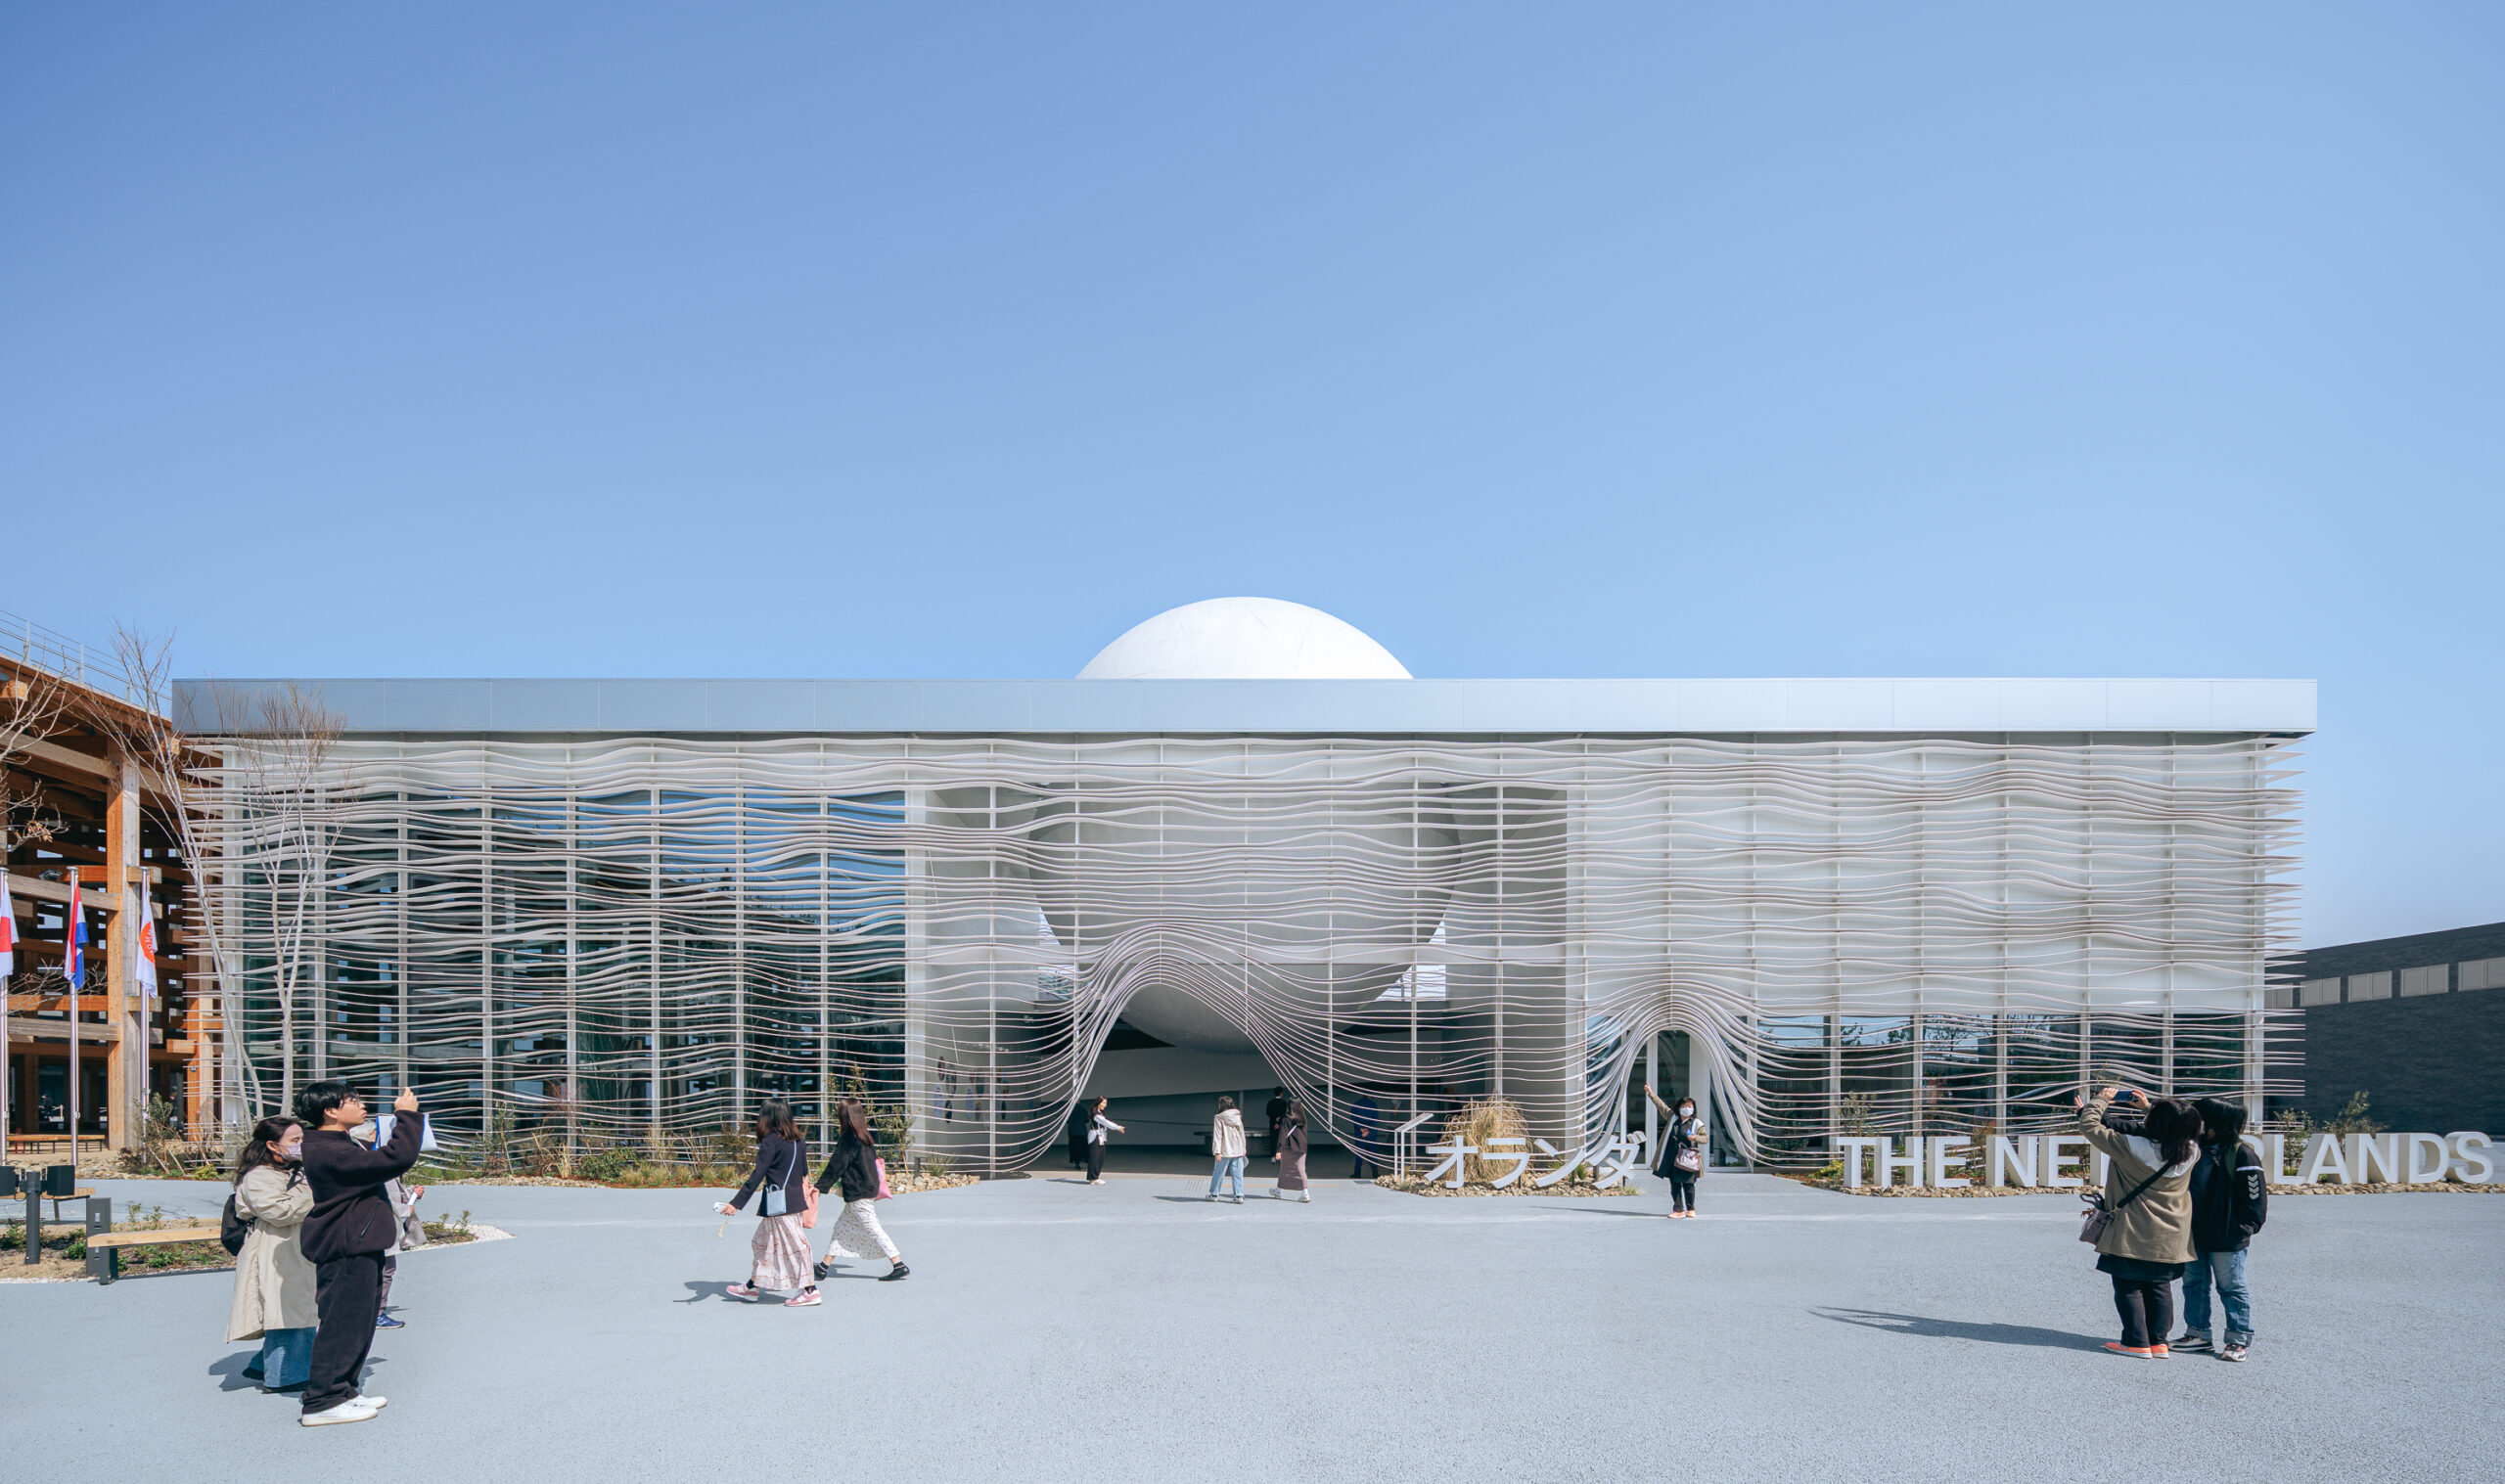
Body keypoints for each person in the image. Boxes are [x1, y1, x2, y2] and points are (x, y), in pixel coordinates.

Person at [295, 1079, 424, 1425]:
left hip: (358, 1243)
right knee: (341, 1325)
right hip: (346, 1246)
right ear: (330, 1110)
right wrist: (407, 1118)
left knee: (360, 1323)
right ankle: (321, 1402)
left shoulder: (339, 1143)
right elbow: (396, 1158)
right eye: (352, 1100)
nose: (362, 1104)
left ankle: (344, 1390)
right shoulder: (328, 1149)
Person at [2077, 1085, 2201, 1358]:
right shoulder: (2191, 1150)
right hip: (2173, 1233)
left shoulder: (2131, 1146)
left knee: (2128, 1283)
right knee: (2159, 1285)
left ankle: (2136, 1342)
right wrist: (2147, 1108)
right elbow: (2173, 1129)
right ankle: (2158, 1342)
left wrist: (2101, 1099)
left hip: (2132, 1229)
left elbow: (2089, 1125)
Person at [226, 1116, 315, 1395]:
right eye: (295, 1140)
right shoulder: (259, 1176)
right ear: (273, 1145)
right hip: (273, 1247)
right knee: (286, 1311)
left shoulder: (290, 1171)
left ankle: (263, 1365)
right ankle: (284, 1376)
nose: (302, 1145)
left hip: (292, 1248)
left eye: (303, 1139)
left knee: (298, 1308)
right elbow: (280, 1212)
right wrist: (312, 1187)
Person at [2175, 1096, 2267, 1362]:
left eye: (2199, 1116)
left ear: (2215, 1121)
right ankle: (2197, 1335)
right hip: (2193, 1232)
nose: (2195, 1121)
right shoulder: (2194, 1148)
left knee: (2231, 1288)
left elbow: (2255, 1197)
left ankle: (2238, 1341)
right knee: (2193, 1284)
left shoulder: (2242, 1153)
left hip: (2227, 1236)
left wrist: (2245, 1228)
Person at [718, 1101, 818, 1307]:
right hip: (793, 1202)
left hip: (779, 1205)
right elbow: (803, 1171)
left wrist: (736, 1203)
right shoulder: (799, 1141)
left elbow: (758, 1174)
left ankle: (810, 1290)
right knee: (761, 1243)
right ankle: (752, 1287)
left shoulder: (771, 1141)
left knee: (797, 1246)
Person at [812, 1097, 909, 1282]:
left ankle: (899, 1264)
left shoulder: (849, 1137)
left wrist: (819, 1187)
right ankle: (823, 1267)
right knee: (841, 1228)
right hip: (866, 1189)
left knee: (873, 1228)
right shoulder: (864, 1135)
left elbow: (837, 1164)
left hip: (858, 1192)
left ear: (845, 1115)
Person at [1643, 1085, 1708, 1218]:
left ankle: (1691, 1208)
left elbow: (1705, 1138)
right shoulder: (1672, 1117)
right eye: (1684, 1106)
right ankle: (1678, 1209)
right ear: (1679, 1108)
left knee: (1689, 1185)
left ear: (1694, 1108)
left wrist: (1695, 1137)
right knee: (1675, 1184)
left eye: (1689, 1106)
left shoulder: (1696, 1123)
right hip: (1672, 1157)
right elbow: (1661, 1105)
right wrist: (1650, 1093)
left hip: (1688, 1157)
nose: (1686, 1109)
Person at [1207, 1095, 1248, 1202]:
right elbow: (1241, 1133)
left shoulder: (1219, 1117)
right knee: (1238, 1173)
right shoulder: (1237, 1116)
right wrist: (1243, 1148)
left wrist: (1217, 1151)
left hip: (1224, 1150)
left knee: (1219, 1172)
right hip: (1238, 1149)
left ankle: (1214, 1194)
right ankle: (1239, 1195)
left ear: (1221, 1105)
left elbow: (1218, 1135)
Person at [1272, 1099, 1309, 1202]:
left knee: (1284, 1169)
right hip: (1302, 1148)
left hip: (1289, 1147)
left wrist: (1278, 1150)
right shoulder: (1303, 1119)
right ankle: (1305, 1192)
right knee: (1301, 1169)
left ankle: (1278, 1190)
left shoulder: (1286, 1119)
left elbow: (1283, 1135)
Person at [1085, 1097, 1123, 1185]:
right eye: (1103, 1103)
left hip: (1101, 1137)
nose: (1105, 1105)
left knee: (1100, 1157)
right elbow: (1106, 1122)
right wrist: (1117, 1127)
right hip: (1095, 1137)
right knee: (1095, 1157)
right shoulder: (1096, 1114)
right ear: (1098, 1103)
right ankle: (1093, 1178)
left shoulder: (1100, 1112)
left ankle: (1095, 1176)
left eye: (1105, 1103)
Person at [1265, 1087, 1289, 1158]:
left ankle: (1273, 1155)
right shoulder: (1284, 1103)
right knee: (1282, 1138)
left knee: (1273, 1139)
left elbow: (1268, 1112)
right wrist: (1279, 1121)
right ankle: (1281, 1154)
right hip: (1282, 1124)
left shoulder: (1271, 1102)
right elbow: (1285, 1113)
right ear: (1281, 1093)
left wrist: (1274, 1120)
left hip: (1272, 1123)